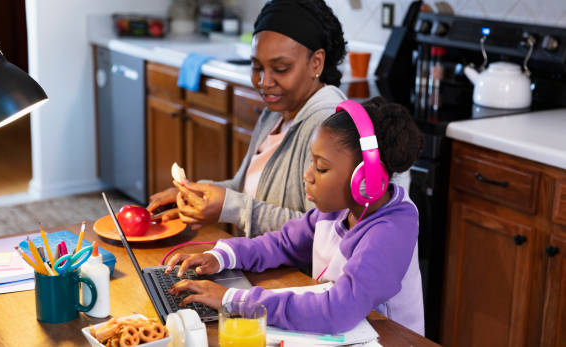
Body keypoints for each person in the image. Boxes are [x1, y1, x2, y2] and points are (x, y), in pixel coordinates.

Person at [165, 97, 426, 335]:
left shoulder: (392, 229)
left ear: (365, 180)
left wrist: (233, 299)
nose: (308, 175)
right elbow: (283, 243)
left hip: (390, 339)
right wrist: (221, 256)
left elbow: (337, 310)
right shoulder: (338, 209)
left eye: (321, 168)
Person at [148, 0, 348, 237]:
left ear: (316, 62)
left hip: (298, 275)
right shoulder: (275, 112)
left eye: (281, 68)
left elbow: (322, 230)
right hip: (260, 261)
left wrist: (229, 208)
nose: (264, 82)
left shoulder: (327, 124)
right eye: (256, 67)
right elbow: (247, 189)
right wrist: (196, 193)